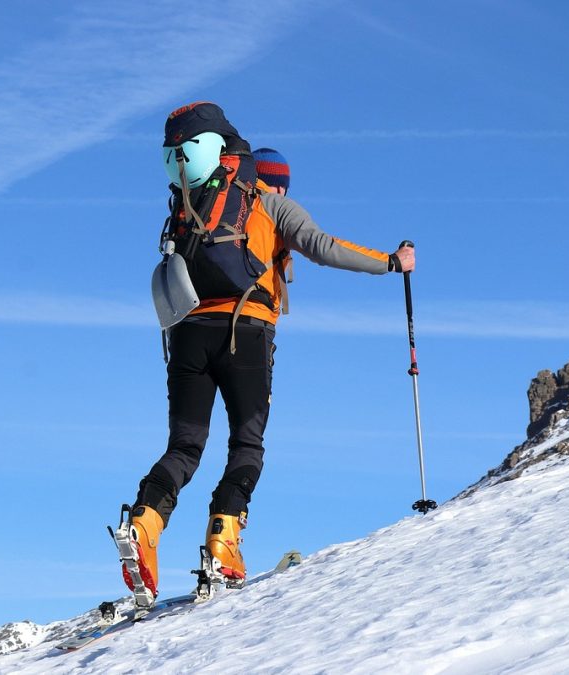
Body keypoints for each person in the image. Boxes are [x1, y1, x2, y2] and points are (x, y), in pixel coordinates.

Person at [124, 102, 415, 598]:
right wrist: (391, 261)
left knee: (184, 447)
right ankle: (223, 541)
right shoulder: (271, 204)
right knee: (247, 445)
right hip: (247, 334)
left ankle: (145, 525)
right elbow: (323, 246)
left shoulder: (195, 200)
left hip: (187, 333)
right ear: (276, 180)